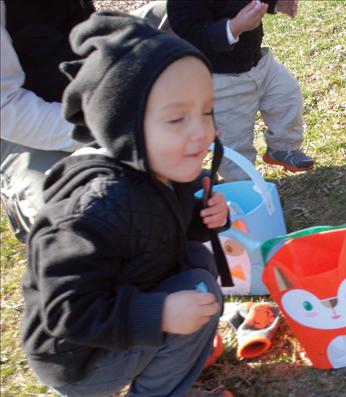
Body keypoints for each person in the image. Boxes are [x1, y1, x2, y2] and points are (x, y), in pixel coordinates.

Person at [22, 11, 233, 397]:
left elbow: (165, 229)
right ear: (124, 127)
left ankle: (168, 355)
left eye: (206, 112)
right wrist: (160, 314)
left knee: (197, 262)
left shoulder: (163, 168)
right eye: (176, 119)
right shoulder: (93, 209)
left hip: (124, 304)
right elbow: (66, 311)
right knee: (201, 286)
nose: (202, 131)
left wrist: (206, 220)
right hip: (80, 357)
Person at [167, 0, 314, 181]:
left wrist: (275, 4)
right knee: (233, 139)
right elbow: (192, 34)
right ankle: (242, 183)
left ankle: (283, 147)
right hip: (220, 80)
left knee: (287, 97)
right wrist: (233, 27)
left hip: (259, 63)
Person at [0, 0, 95, 242]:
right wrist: (105, 126)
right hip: (22, 133)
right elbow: (6, 109)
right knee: (79, 226)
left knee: (187, 17)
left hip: (90, 75)